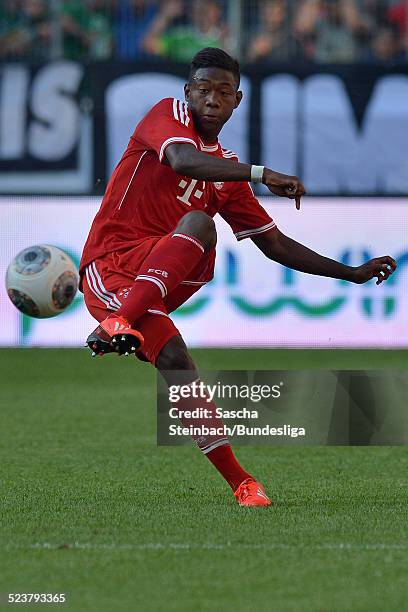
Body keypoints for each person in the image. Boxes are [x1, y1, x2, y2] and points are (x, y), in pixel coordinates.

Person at [79, 47, 396, 507]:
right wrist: (263, 173)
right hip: (112, 267)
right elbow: (184, 162)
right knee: (176, 361)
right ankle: (242, 483)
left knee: (198, 234)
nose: (211, 99)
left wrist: (350, 273)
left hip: (159, 277)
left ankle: (117, 325)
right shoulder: (166, 116)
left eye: (223, 92)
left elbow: (276, 244)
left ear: (237, 100)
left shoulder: (227, 173)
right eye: (203, 89)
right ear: (188, 93)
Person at [144, 0, 230, 63]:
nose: (203, 14)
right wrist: (165, 16)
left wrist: (225, 44)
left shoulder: (224, 39)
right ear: (192, 12)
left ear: (217, 11)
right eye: (199, 9)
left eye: (207, 8)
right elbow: (148, 45)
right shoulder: (179, 36)